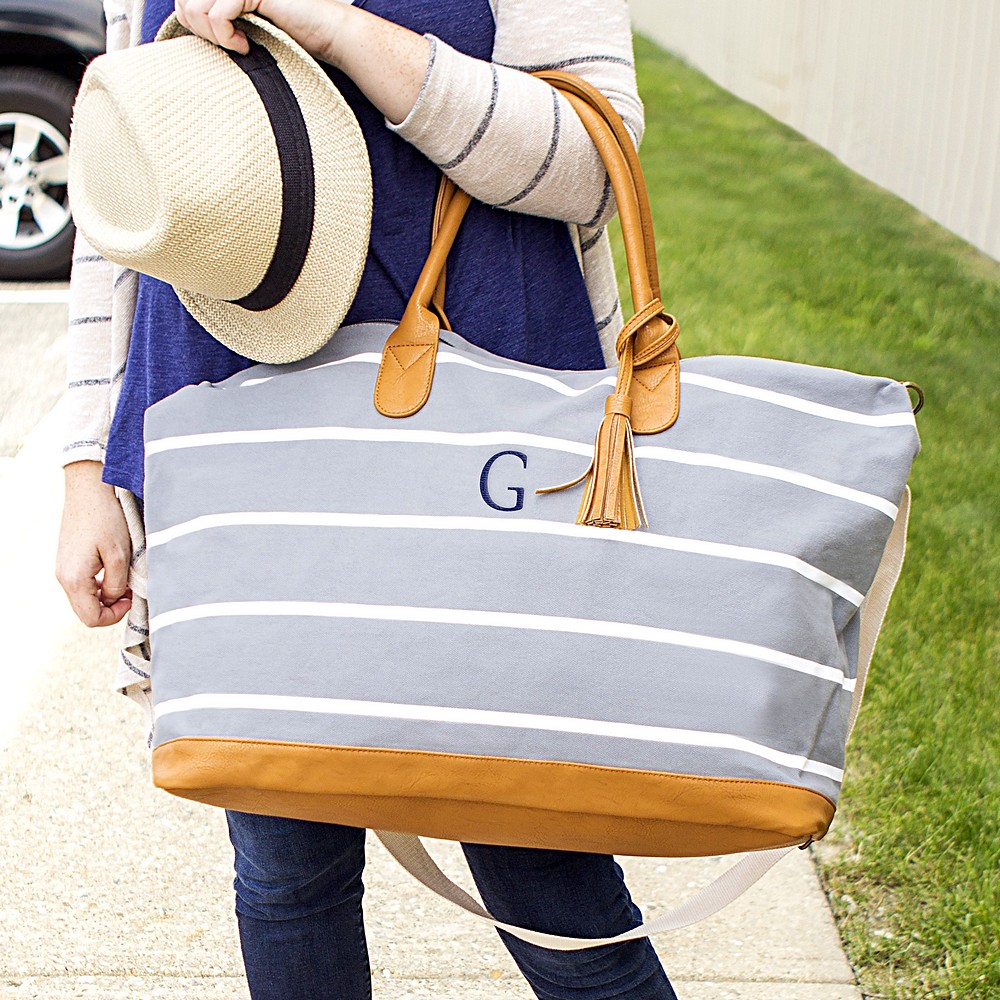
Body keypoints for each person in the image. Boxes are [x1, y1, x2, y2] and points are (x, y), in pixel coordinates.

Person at [56, 1, 679, 997]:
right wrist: (86, 460)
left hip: (481, 445)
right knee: (284, 865)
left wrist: (333, 29)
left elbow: (590, 165)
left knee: (543, 873)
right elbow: (121, 182)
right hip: (229, 438)